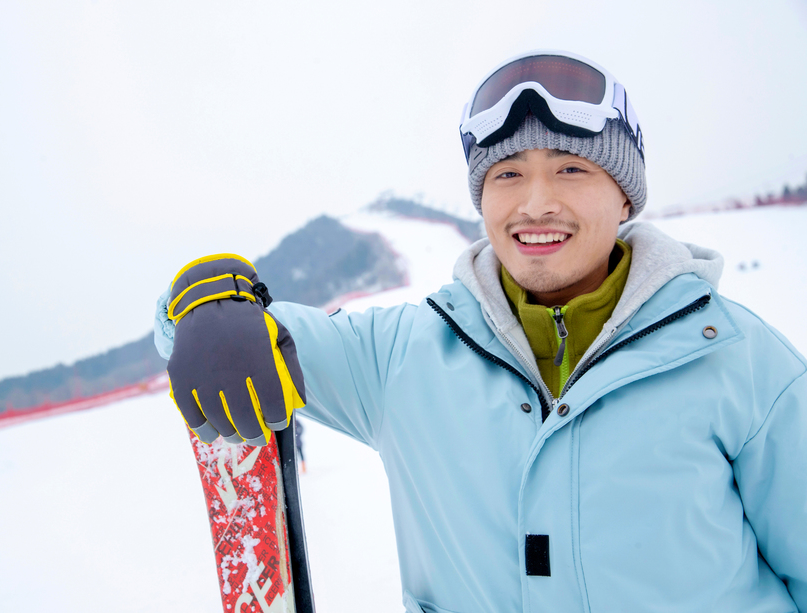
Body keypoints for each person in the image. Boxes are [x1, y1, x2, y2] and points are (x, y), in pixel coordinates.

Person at [154, 50, 806, 612]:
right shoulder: (402, 360)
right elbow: (235, 335)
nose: (536, 202)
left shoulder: (737, 360)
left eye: (571, 169)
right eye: (507, 174)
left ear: (625, 194)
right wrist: (206, 302)